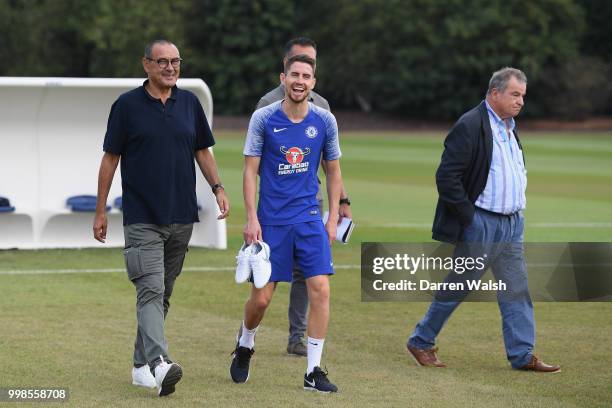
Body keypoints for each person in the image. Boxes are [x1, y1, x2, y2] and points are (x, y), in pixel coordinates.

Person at [93, 39, 230, 397]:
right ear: (147, 65)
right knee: (150, 290)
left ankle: (140, 365)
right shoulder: (126, 107)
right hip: (142, 218)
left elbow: (202, 149)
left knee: (162, 294)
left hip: (182, 216)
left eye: (176, 62)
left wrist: (217, 187)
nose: (170, 68)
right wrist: (100, 209)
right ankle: (159, 364)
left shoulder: (190, 104)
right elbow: (110, 159)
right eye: (163, 62)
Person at [406, 67, 560, 373]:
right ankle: (421, 340)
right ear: (494, 93)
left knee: (516, 288)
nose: (520, 102)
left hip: (512, 224)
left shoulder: (509, 126)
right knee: (461, 284)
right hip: (482, 223)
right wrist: (471, 219)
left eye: (523, 96)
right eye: (515, 94)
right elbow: (447, 177)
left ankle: (522, 354)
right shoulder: (470, 124)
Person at [230, 54, 343, 393]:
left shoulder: (325, 121)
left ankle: (313, 371)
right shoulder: (263, 118)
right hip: (271, 222)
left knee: (321, 288)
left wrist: (333, 216)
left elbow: (334, 170)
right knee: (262, 300)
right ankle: (246, 342)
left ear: (313, 82)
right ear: (283, 78)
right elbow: (250, 171)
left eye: (306, 76)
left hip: (309, 217)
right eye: (294, 74)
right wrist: (251, 218)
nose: (300, 80)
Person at [255, 37, 352, 357]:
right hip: (276, 206)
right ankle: (249, 334)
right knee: (268, 285)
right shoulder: (267, 106)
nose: (302, 77)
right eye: (297, 66)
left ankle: (298, 337)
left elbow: (330, 161)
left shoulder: (321, 107)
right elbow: (259, 161)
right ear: (285, 68)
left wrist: (341, 203)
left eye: (309, 67)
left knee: (310, 275)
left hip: (311, 202)